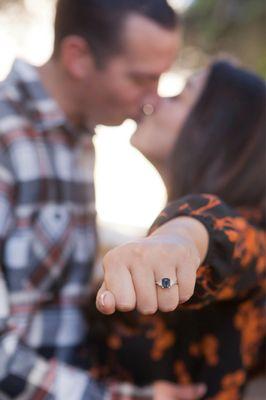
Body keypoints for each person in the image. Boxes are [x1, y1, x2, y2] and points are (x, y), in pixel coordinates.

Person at [0, 1, 182, 398]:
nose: (152, 100)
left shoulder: (78, 139)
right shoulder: (6, 142)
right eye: (140, 80)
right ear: (77, 57)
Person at [94, 61, 266, 399]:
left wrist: (180, 240)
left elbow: (219, 232)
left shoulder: (253, 238)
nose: (154, 99)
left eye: (179, 96)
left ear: (219, 134)